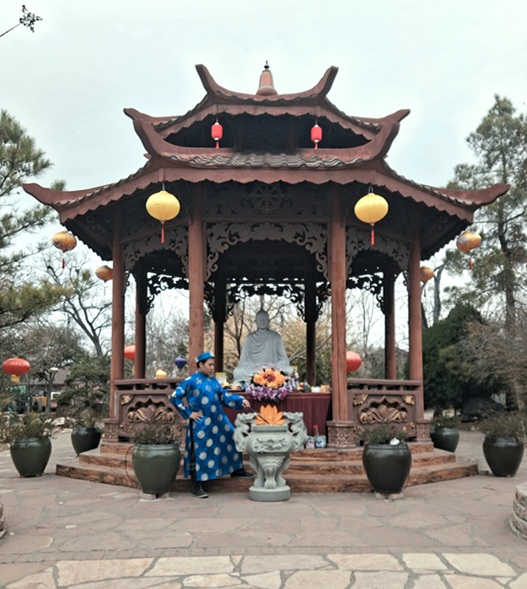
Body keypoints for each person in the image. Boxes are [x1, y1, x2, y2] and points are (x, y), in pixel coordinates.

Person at [169, 351, 253, 498]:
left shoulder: (214, 381)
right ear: (200, 364)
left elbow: (224, 397)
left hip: (219, 420)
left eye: (213, 365)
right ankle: (196, 485)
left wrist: (240, 400)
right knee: (199, 451)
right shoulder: (191, 380)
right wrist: (188, 413)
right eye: (210, 365)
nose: (212, 368)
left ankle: (236, 469)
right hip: (200, 423)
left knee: (232, 436)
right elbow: (175, 396)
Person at [233, 309, 293, 383]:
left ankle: (268, 378)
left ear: (269, 321)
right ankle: (260, 378)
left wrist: (273, 366)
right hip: (253, 370)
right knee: (237, 372)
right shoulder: (249, 338)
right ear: (256, 321)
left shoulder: (276, 337)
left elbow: (284, 359)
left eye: (265, 319)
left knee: (289, 370)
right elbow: (242, 361)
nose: (262, 321)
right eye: (260, 319)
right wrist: (256, 366)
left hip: (272, 370)